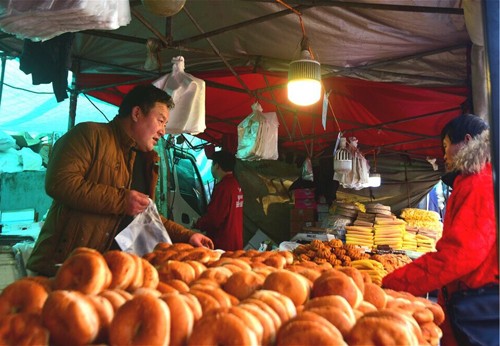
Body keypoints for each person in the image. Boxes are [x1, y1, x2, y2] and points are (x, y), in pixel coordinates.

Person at [27, 84, 214, 277]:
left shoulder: (147, 159)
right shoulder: (88, 135)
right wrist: (121, 201)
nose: (162, 131)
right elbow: (60, 182)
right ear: (136, 113)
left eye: (165, 124)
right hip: (64, 267)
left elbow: (147, 215)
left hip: (108, 272)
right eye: (160, 121)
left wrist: (188, 235)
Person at [382, 114, 498, 346]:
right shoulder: (473, 180)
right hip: (470, 298)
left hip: (476, 303)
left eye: (446, 146)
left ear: (466, 141)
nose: (443, 155)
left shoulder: (479, 183)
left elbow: (458, 255)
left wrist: (395, 283)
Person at [193, 150, 243, 251]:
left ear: (217, 166)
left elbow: (214, 219)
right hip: (235, 242)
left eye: (212, 164)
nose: (211, 168)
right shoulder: (235, 185)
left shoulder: (223, 188)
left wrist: (198, 224)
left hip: (223, 245)